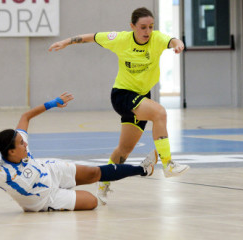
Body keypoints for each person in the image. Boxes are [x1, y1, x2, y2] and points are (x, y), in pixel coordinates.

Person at [48, 7, 189, 205]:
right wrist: (66, 41)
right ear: (132, 27)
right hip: (122, 95)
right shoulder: (120, 39)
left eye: (150, 27)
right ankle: (168, 164)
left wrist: (179, 44)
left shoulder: (156, 38)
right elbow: (91, 37)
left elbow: (172, 40)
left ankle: (103, 183)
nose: (147, 31)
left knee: (123, 151)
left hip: (141, 96)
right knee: (159, 112)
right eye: (142, 27)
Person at [0, 92, 158, 219]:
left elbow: (25, 116)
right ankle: (63, 198)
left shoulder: (18, 147)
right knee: (93, 202)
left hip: (49, 170)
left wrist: (53, 103)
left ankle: (143, 170)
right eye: (21, 143)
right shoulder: (1, 173)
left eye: (23, 141)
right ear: (10, 152)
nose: (25, 143)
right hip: (47, 199)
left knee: (95, 172)